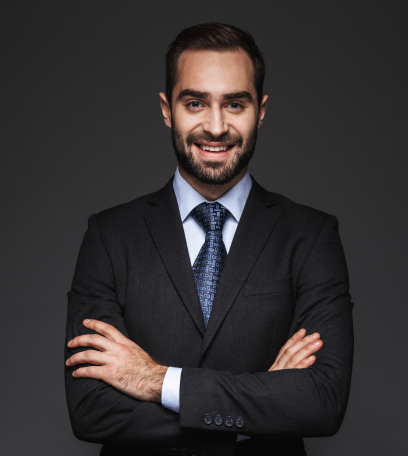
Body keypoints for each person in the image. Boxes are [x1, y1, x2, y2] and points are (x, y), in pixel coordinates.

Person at [65, 23, 354, 456]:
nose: (216, 127)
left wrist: (158, 380)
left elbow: (322, 402)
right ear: (167, 110)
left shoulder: (312, 237)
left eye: (234, 104)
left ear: (260, 111)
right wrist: (265, 404)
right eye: (195, 103)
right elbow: (90, 410)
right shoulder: (109, 236)